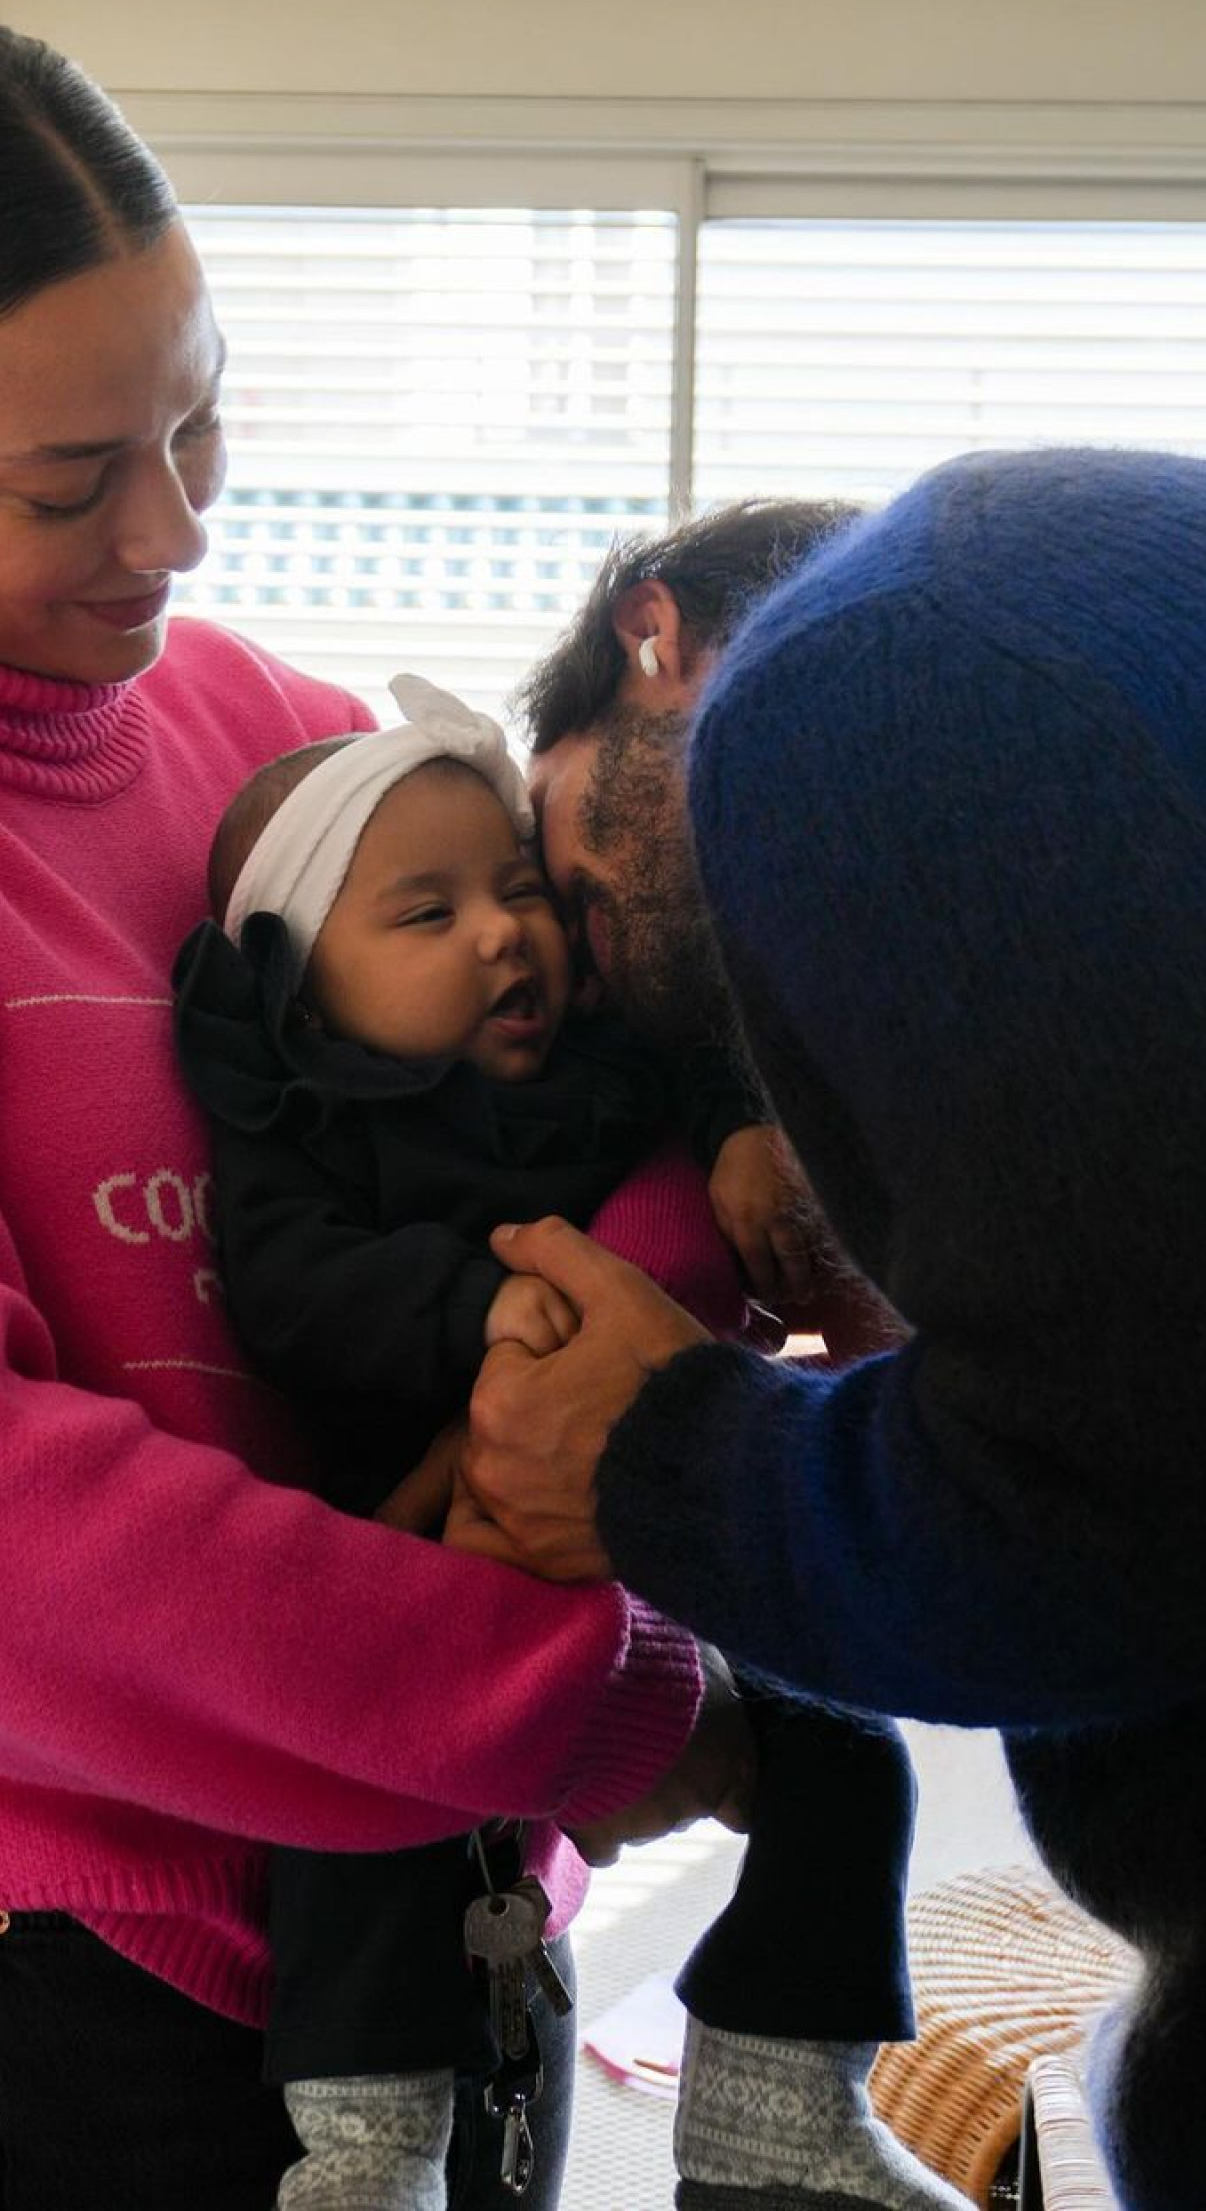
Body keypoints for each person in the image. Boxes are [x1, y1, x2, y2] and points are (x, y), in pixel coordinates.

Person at [0, 5, 749, 2211]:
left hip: (454, 1901)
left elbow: (597, 1096)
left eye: (199, 425)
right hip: (91, 1995)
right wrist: (556, 1684)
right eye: (69, 479)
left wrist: (610, 1391)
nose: (176, 530)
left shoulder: (256, 735)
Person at [460, 449, 1206, 2210]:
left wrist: (661, 1454)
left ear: (654, 641)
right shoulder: (1113, 568)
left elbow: (1202, 1503)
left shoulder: (866, 680)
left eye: (564, 874)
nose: (576, 965)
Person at [172, 675, 966, 2211]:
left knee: (845, 1742)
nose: (501, 933)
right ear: (298, 985)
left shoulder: (610, 1070)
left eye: (517, 889)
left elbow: (714, 1057)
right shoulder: (305, 1121)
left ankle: (774, 2111)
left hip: (628, 1564)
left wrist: (741, 1134)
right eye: (427, 915)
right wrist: (484, 1309)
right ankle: (365, 2156)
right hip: (403, 1565)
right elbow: (289, 1290)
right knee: (357, 1817)